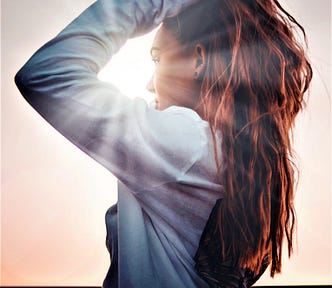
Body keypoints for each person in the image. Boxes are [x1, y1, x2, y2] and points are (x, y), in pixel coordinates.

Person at [15, 0, 312, 287]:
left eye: (157, 58)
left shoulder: (189, 145)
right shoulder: (241, 162)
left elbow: (46, 74)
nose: (148, 84)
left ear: (197, 60)